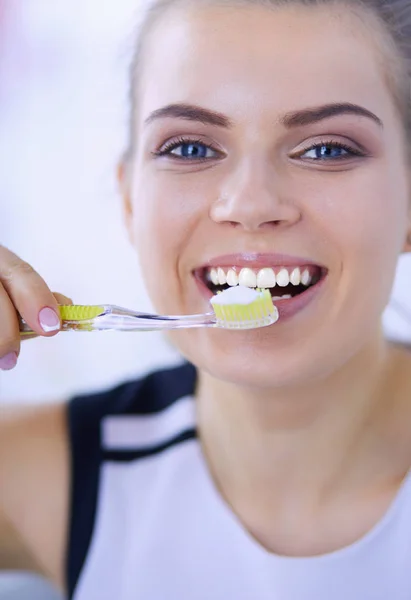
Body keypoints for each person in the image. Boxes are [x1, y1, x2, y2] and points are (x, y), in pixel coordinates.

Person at [1, 0, 411, 598]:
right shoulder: (36, 477)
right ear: (130, 202)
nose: (250, 204)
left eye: (327, 149)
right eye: (190, 148)